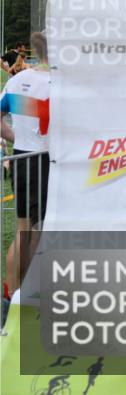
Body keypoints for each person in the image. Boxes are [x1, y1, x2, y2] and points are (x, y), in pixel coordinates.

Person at [2, 32, 51, 292]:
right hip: (45, 160)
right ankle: (29, 294)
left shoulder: (16, 81)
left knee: (24, 229)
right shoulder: (59, 84)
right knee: (38, 230)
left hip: (22, 156)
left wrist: (15, 138)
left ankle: (11, 295)